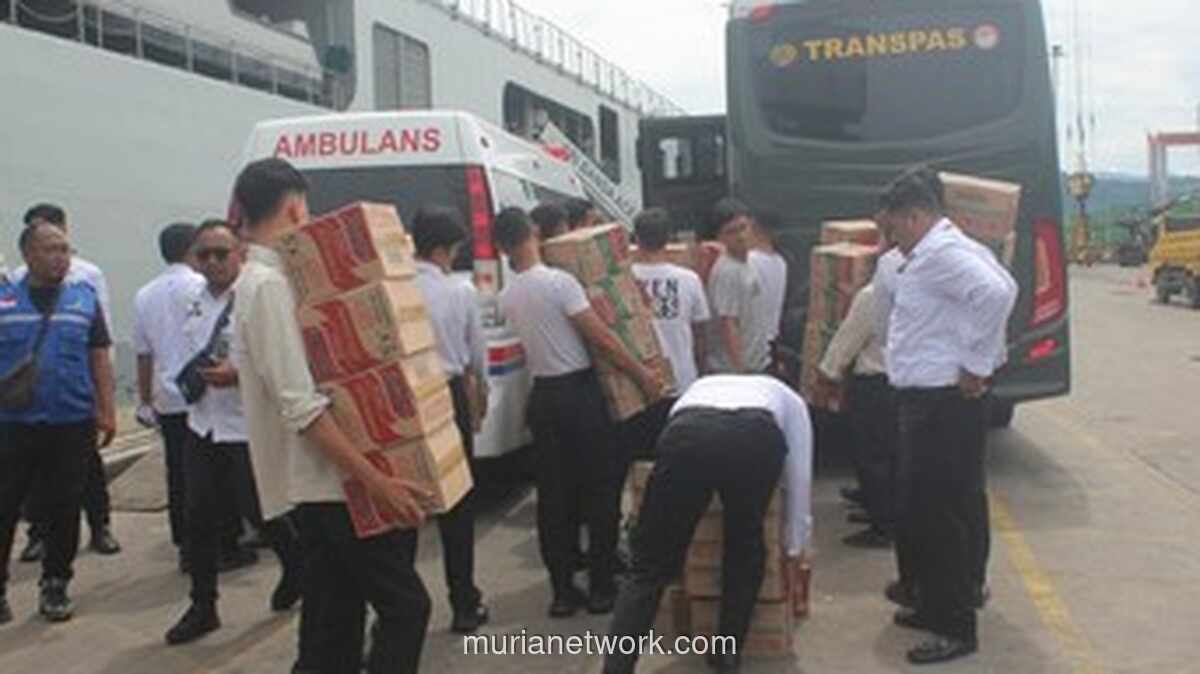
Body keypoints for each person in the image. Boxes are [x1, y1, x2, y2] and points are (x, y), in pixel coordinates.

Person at [231, 158, 431, 674]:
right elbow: (302, 407)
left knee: (332, 620)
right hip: (330, 486)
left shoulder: (269, 281)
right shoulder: (267, 286)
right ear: (297, 209)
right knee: (405, 608)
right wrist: (377, 482)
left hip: (323, 485)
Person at [493, 208, 663, 618]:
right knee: (600, 491)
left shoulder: (507, 296)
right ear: (534, 232)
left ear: (502, 248)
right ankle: (602, 587)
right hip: (580, 395)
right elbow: (600, 336)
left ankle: (563, 592)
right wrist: (643, 374)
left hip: (544, 399)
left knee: (554, 497)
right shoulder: (560, 282)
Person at [876, 168, 1016, 664]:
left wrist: (976, 365)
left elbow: (998, 294)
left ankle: (956, 626)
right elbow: (999, 283)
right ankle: (935, 604)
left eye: (895, 228)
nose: (894, 241)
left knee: (941, 517)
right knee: (925, 510)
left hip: (942, 404)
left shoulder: (941, 253)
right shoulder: (947, 248)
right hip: (931, 402)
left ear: (914, 217)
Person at [603, 375, 812, 674]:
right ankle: (726, 656)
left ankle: (616, 667)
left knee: (648, 566)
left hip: (688, 433)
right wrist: (794, 547)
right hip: (754, 438)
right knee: (745, 544)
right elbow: (799, 479)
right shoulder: (791, 401)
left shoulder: (699, 387)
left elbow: (671, 443)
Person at [164, 220, 303, 645]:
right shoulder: (192, 301)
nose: (212, 262)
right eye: (203, 254)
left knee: (266, 514)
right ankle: (203, 606)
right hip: (203, 424)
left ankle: (298, 570)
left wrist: (238, 375)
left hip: (247, 426)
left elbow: (283, 360)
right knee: (198, 519)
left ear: (239, 253)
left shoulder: (260, 295)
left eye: (220, 253)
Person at [0, 222, 117, 625]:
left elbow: (99, 356)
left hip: (71, 421)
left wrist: (107, 408)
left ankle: (55, 584)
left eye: (65, 249)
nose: (60, 257)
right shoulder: (4, 300)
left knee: (63, 506)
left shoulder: (84, 299)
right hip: (13, 424)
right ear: (28, 254)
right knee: (5, 505)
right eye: (50, 249)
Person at [410, 206, 491, 634]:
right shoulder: (460, 292)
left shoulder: (395, 287)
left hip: (403, 401)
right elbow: (476, 356)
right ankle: (463, 603)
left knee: (405, 506)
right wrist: (481, 399)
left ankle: (397, 609)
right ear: (443, 248)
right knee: (456, 506)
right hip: (446, 395)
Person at [131, 223, 207, 571]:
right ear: (193, 249)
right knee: (210, 474)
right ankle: (215, 542)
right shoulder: (202, 287)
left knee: (177, 472)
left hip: (167, 397)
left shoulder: (144, 294)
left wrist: (145, 400)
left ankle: (184, 541)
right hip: (204, 395)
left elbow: (143, 354)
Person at [817, 280, 896, 549]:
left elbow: (848, 338)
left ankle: (883, 525)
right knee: (891, 452)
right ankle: (882, 509)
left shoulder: (874, 294)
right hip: (902, 382)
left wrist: (829, 371)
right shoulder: (915, 288)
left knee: (871, 454)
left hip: (874, 382)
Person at [631, 208, 711, 393]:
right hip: (683, 379)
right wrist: (702, 371)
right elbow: (700, 334)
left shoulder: (625, 279)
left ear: (636, 238)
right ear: (668, 238)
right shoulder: (689, 279)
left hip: (640, 382)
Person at [704, 199, 770, 375]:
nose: (741, 236)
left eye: (743, 228)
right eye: (731, 232)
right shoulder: (728, 271)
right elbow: (729, 324)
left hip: (755, 363)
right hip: (735, 370)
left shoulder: (749, 261)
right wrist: (740, 372)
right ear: (720, 238)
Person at [748, 210, 788, 348]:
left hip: (750, 342)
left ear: (755, 229)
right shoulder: (780, 262)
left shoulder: (750, 261)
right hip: (771, 339)